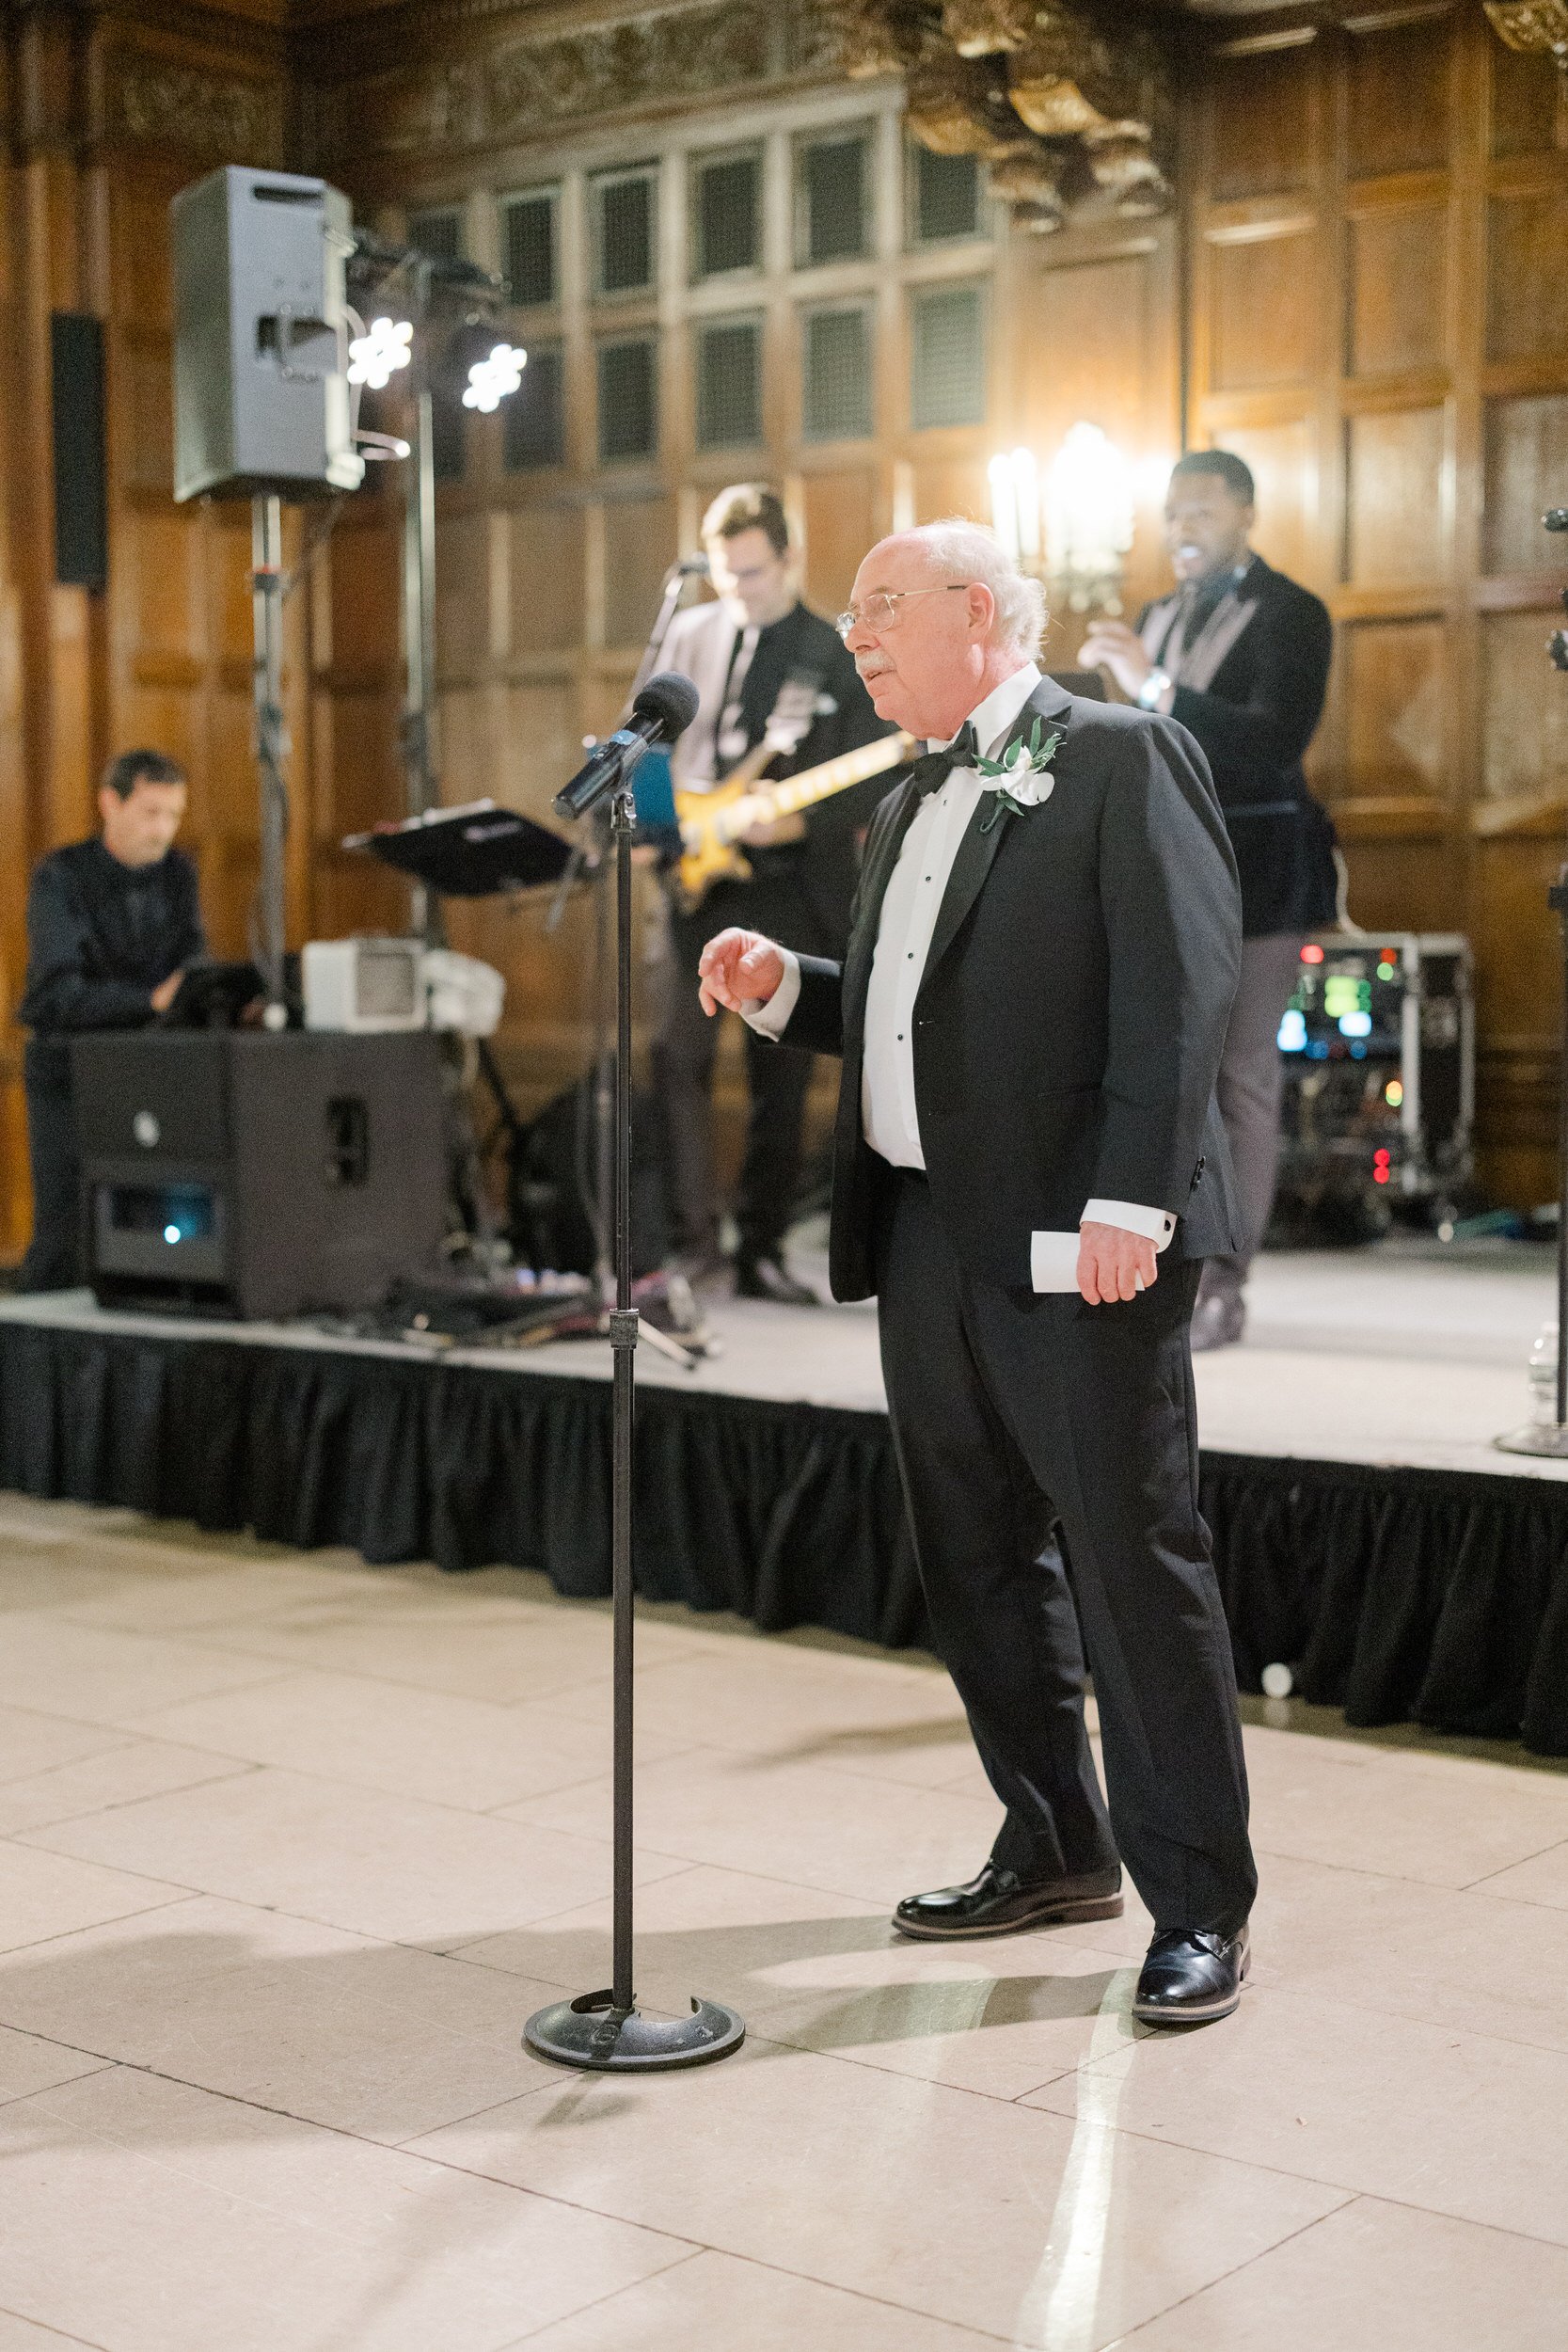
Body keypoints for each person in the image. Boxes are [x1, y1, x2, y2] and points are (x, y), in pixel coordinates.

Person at [697, 520, 1258, 2026]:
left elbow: (1179, 989)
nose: (859, 635)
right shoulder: (904, 793)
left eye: (882, 609)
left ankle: (1196, 1899)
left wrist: (1134, 1200)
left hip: (1078, 1233)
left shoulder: (1121, 757)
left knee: (1128, 1565)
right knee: (973, 1559)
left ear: (976, 610)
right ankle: (1053, 1843)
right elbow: (906, 1018)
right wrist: (781, 991)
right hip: (927, 1232)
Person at [1079, 450, 1336, 1350]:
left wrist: (1150, 685)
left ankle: (1228, 1284)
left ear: (1245, 513)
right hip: (1163, 873)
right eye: (1170, 513)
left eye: (1200, 511)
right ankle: (1165, 1264)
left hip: (1262, 874)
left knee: (1239, 1076)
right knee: (1158, 1072)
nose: (1180, 527)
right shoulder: (1155, 614)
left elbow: (1274, 740)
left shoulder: (1293, 613)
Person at [653, 484, 894, 1304]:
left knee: (778, 1075)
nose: (738, 590)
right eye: (724, 574)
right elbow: (647, 746)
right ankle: (693, 1240)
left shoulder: (830, 651)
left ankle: (757, 1245)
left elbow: (868, 775)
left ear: (787, 559)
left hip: (793, 887)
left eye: (753, 573)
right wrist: (669, 824)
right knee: (673, 1062)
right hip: (693, 879)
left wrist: (791, 828)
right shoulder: (685, 635)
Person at [16, 749, 204, 1292]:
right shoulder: (61, 877)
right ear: (109, 803)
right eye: (151, 813)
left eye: (174, 814)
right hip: (69, 1072)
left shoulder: (178, 874)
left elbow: (192, 960)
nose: (164, 829)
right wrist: (151, 1000)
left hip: (150, 1066)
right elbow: (57, 994)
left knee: (154, 1223)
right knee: (67, 1231)